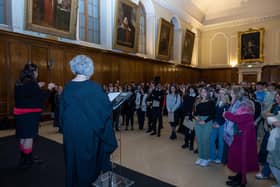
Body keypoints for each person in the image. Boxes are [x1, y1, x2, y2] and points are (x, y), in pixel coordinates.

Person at [60, 55, 118, 187]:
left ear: (73, 67)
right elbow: (104, 112)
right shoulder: (94, 88)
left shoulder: (68, 87)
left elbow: (61, 114)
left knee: (72, 161)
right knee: (87, 165)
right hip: (87, 133)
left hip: (71, 133)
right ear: (90, 68)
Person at [14, 63, 55, 168]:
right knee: (29, 137)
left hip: (19, 114)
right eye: (37, 71)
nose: (37, 73)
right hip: (29, 115)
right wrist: (49, 89)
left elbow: (27, 94)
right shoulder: (32, 85)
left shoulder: (19, 83)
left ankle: (24, 157)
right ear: (33, 72)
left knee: (23, 136)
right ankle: (28, 160)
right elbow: (41, 99)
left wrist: (37, 86)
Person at [223, 86, 259, 187]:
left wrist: (226, 114)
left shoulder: (244, 104)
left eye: (232, 93)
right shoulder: (239, 102)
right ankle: (239, 175)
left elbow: (239, 118)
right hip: (239, 133)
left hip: (244, 134)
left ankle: (241, 182)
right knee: (237, 156)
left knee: (242, 157)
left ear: (237, 94)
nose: (230, 95)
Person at [193, 87, 215, 167]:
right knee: (199, 140)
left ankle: (206, 158)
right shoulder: (198, 101)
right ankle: (200, 157)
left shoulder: (211, 102)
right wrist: (196, 117)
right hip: (198, 121)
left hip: (207, 121)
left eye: (204, 92)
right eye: (201, 92)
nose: (203, 93)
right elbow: (195, 112)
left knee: (205, 140)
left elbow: (213, 114)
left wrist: (204, 121)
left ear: (208, 93)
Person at [210, 88, 230, 164]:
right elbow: (214, 114)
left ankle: (220, 157)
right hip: (215, 123)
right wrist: (214, 122)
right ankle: (212, 156)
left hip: (222, 124)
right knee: (212, 140)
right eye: (220, 93)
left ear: (226, 95)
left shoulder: (227, 105)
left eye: (223, 93)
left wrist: (219, 124)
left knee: (221, 142)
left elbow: (226, 117)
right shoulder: (216, 103)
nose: (221, 95)